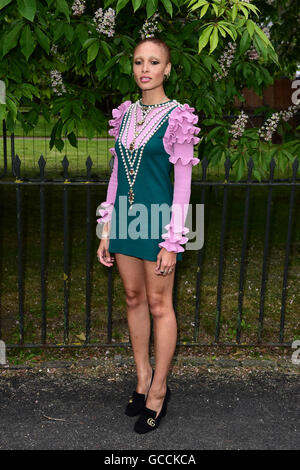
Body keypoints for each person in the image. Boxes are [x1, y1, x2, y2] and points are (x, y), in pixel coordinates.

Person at [96, 37, 201, 434]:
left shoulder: (179, 118)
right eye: (139, 61)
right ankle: (141, 379)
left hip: (158, 221)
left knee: (160, 305)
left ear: (167, 69)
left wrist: (172, 240)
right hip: (124, 218)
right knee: (133, 297)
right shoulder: (125, 114)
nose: (145, 69)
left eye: (154, 62)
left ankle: (159, 391)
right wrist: (106, 226)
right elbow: (116, 175)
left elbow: (183, 187)